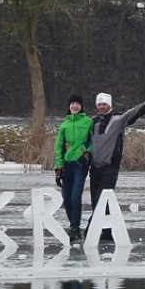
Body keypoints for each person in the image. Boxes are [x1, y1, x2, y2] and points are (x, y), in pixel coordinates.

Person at [87, 86, 145, 238]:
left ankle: (98, 231)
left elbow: (133, 113)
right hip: (94, 168)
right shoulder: (91, 123)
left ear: (110, 105)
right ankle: (101, 231)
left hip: (110, 168)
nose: (102, 107)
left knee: (103, 199)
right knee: (96, 202)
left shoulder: (118, 120)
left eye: (105, 104)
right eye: (99, 104)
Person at [54, 94, 93, 242]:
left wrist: (87, 152)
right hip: (67, 166)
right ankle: (73, 226)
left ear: (81, 106)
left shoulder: (88, 122)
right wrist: (58, 167)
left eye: (77, 104)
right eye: (72, 104)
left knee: (76, 197)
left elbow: (93, 141)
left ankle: (75, 228)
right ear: (69, 106)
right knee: (67, 199)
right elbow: (59, 148)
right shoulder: (64, 125)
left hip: (80, 165)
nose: (74, 106)